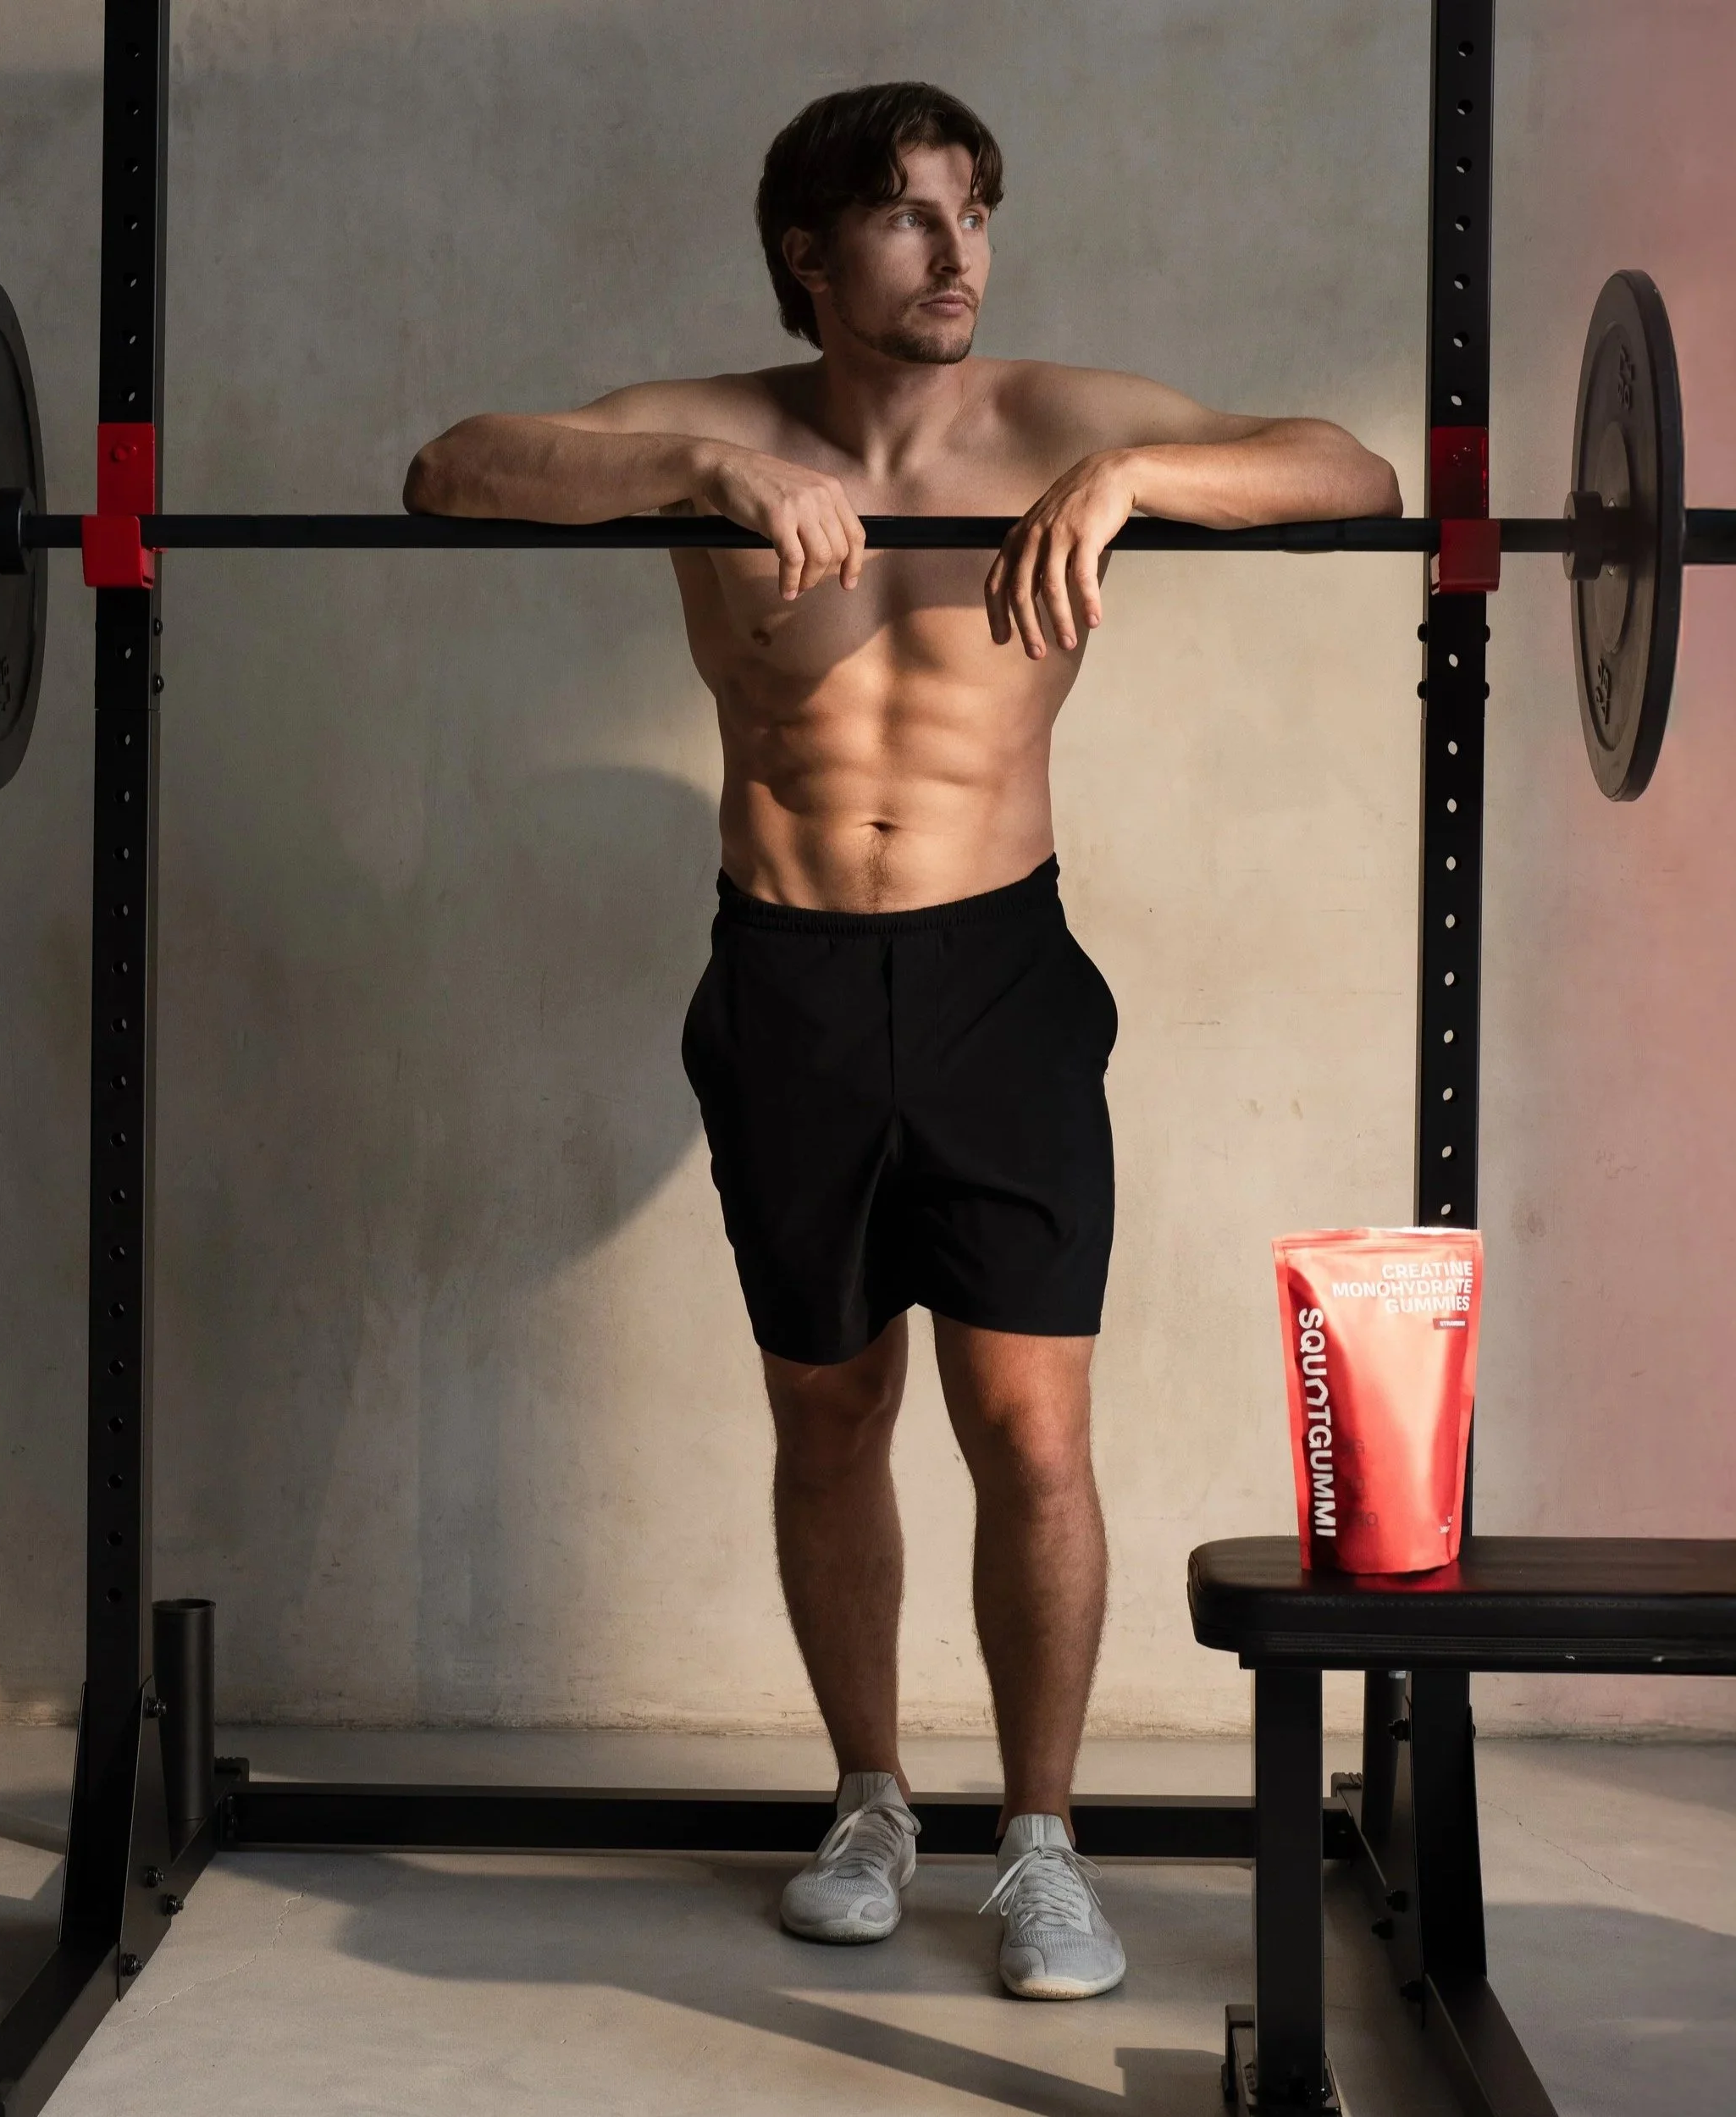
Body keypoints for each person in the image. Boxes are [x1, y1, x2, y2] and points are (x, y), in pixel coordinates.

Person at [405, 80, 1399, 2001]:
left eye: (974, 214)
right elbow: (451, 468)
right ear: (807, 255)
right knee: (827, 1408)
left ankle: (1039, 1841)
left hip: (994, 979)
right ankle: (868, 1798)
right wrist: (697, 484)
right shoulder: (707, 433)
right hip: (779, 975)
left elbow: (1346, 470)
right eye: (907, 220)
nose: (957, 256)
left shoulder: (1050, 421)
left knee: (1029, 1427)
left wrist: (1134, 487)